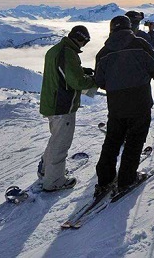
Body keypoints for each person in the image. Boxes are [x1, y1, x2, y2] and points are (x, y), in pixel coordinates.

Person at [93, 15, 154, 196]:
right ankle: (126, 180)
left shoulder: (103, 52)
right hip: (140, 102)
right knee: (134, 141)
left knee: (112, 140)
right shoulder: (140, 44)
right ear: (129, 28)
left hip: (115, 104)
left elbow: (99, 81)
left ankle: (104, 179)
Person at [38, 25, 96, 191]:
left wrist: (81, 70)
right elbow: (76, 82)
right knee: (61, 144)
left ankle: (46, 171)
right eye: (85, 42)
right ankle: (54, 181)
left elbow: (60, 71)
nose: (84, 45)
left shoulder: (56, 49)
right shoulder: (68, 53)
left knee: (55, 138)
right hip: (62, 105)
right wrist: (94, 80)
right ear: (81, 39)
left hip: (52, 102)